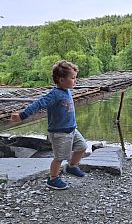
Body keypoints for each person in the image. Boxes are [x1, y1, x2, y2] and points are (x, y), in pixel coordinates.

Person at [10, 60, 87, 190]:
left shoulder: (67, 90)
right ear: (61, 80)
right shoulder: (54, 94)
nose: (75, 80)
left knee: (82, 147)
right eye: (73, 78)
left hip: (72, 130)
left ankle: (72, 166)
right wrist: (22, 115)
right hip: (59, 133)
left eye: (75, 77)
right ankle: (53, 179)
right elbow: (38, 103)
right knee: (59, 158)